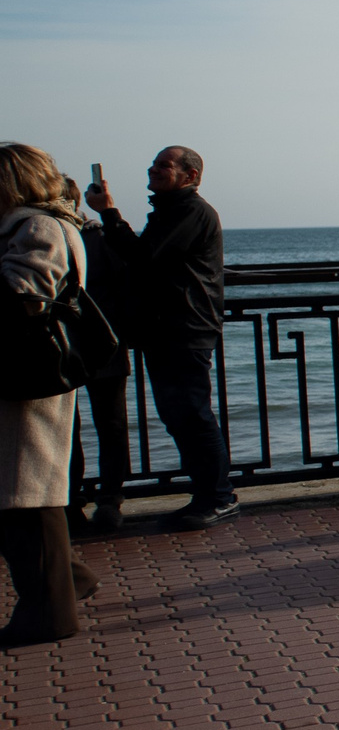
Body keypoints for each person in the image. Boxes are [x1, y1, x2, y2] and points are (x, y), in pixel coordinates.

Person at [85, 147, 232, 529]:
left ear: (191, 175)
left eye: (164, 165)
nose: (153, 170)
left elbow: (143, 255)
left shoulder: (190, 211)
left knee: (193, 415)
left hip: (185, 329)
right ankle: (205, 495)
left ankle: (218, 496)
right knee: (180, 417)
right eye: (153, 164)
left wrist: (109, 214)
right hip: (167, 329)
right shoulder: (171, 210)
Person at [1, 145, 102, 647]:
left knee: (27, 494)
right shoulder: (42, 224)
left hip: (28, 375)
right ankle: (68, 581)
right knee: (22, 492)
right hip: (29, 373)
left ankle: (50, 612)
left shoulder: (36, 227)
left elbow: (24, 295)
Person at [65, 176, 135, 537]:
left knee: (67, 430)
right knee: (110, 426)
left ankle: (74, 501)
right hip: (104, 341)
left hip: (69, 345)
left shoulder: (63, 234)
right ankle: (109, 500)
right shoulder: (97, 236)